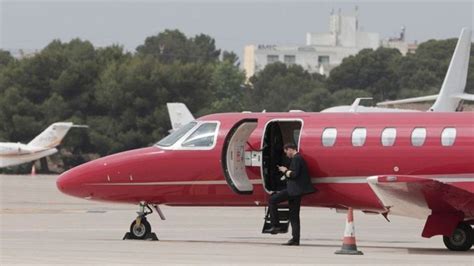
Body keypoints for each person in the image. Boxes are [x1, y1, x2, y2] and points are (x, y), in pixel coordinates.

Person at [265, 142, 316, 246]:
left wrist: (285, 170)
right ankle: (295, 239)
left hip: (293, 190)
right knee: (294, 216)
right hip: (296, 191)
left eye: (286, 152)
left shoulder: (297, 158)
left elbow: (294, 174)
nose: (286, 154)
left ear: (290, 149)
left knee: (272, 200)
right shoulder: (298, 158)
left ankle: (276, 225)